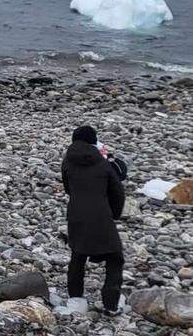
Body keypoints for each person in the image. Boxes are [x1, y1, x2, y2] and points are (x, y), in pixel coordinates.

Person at [62, 125, 126, 315]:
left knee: (78, 255)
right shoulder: (103, 162)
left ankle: (75, 301)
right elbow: (118, 192)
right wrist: (114, 214)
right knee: (115, 257)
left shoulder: (67, 161)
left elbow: (67, 188)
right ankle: (111, 304)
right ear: (93, 141)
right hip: (101, 215)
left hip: (75, 214)